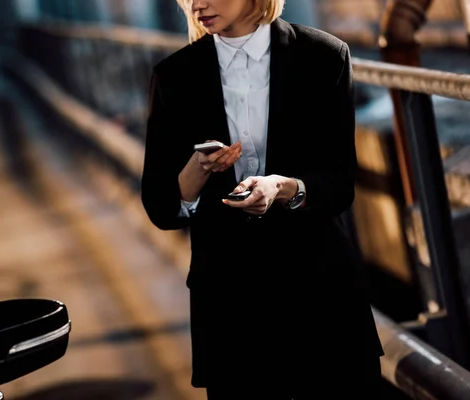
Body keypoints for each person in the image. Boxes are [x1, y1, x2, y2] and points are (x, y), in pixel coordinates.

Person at [140, 0, 385, 398]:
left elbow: (340, 182)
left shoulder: (324, 56)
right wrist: (200, 168)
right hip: (230, 306)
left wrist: (282, 188)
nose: (197, 3)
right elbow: (160, 206)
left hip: (321, 294)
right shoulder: (174, 75)